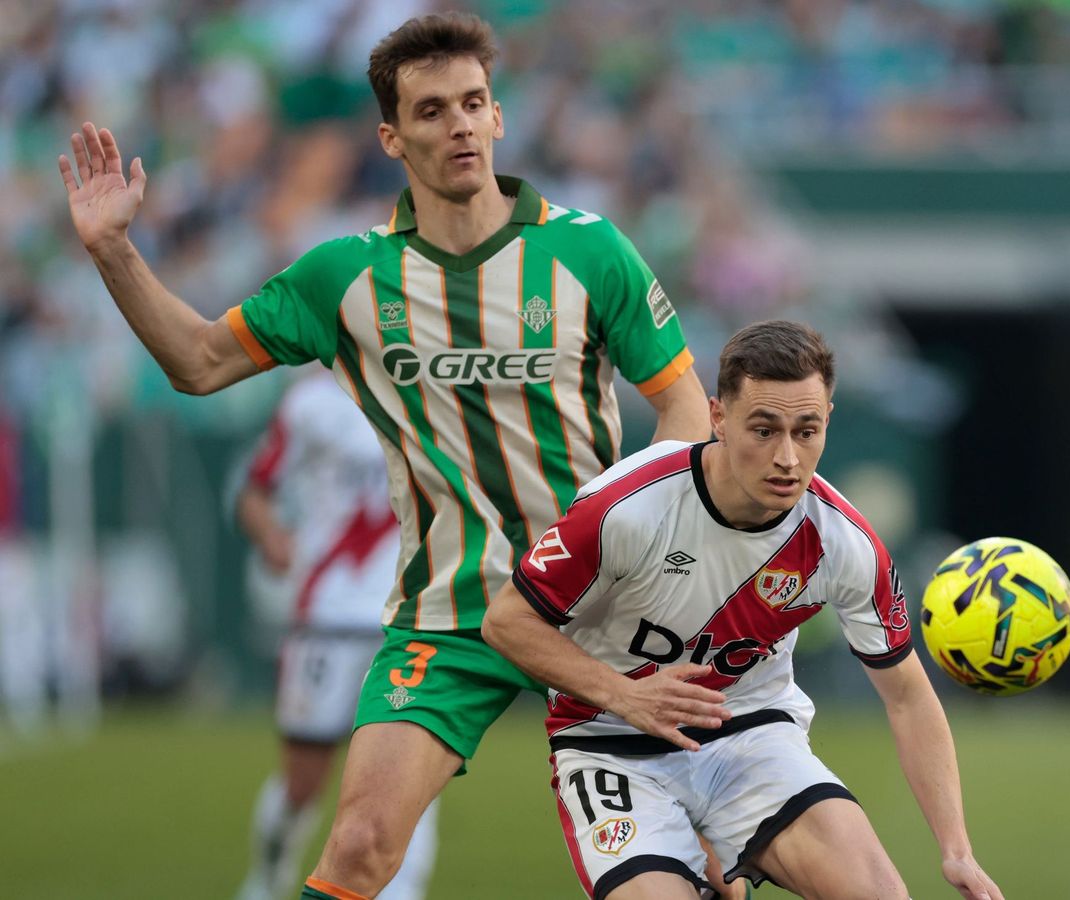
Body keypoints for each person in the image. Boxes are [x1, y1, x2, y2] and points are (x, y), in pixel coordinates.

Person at [56, 12, 721, 899]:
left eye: (474, 104)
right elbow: (199, 361)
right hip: (449, 614)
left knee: (708, 852)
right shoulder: (345, 276)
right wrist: (114, 251)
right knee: (363, 844)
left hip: (604, 597)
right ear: (392, 136)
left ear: (498, 119)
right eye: (433, 109)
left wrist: (639, 530)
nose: (458, 124)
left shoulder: (588, 250)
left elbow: (683, 404)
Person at [481, 320, 1004, 900]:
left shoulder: (843, 542)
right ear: (718, 417)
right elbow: (506, 621)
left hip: (750, 732)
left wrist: (957, 850)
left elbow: (907, 697)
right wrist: (623, 694)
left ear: (828, 417)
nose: (787, 458)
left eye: (807, 431)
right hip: (611, 740)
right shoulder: (626, 508)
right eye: (764, 429)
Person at [232, 369, 437, 900]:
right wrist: (272, 536)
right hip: (325, 616)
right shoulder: (312, 404)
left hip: (411, 618)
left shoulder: (436, 392)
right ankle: (266, 874)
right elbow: (254, 491)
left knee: (410, 778)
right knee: (303, 782)